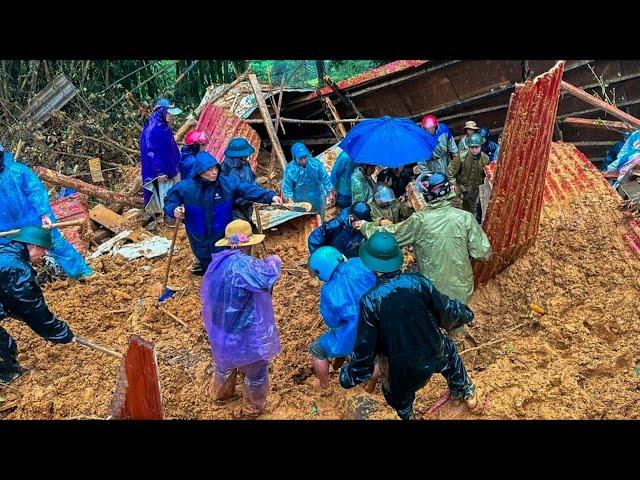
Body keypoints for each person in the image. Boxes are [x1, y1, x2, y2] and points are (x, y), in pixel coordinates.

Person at [339, 232, 480, 420]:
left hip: (400, 370)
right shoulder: (418, 282)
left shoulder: (371, 301)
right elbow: (445, 311)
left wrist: (349, 375)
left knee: (398, 399)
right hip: (433, 349)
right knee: (450, 357)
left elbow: (365, 348)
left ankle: (408, 415)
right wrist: (465, 313)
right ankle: (466, 390)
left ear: (370, 263)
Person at [355, 173, 491, 347]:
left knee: (432, 328)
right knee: (456, 326)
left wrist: (366, 227)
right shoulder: (465, 218)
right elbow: (483, 253)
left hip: (432, 290)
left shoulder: (420, 221)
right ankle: (457, 354)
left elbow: (391, 236)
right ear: (449, 191)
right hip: (461, 288)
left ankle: (437, 355)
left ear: (428, 195)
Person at [201, 220, 282, 417]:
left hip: (220, 329)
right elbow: (267, 277)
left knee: (224, 364)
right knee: (256, 371)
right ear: (248, 242)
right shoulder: (245, 265)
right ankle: (252, 408)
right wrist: (274, 260)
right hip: (245, 332)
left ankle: (220, 394)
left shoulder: (217, 263)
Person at [164, 152, 283, 275]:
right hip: (198, 234)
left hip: (221, 231)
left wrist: (269, 196)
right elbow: (170, 201)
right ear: (200, 171)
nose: (214, 172)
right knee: (204, 258)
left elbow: (246, 189)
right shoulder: (186, 188)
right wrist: (174, 210)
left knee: (224, 262)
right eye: (209, 170)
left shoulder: (226, 183)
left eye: (215, 168)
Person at [0, 144, 91, 279]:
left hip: (33, 220)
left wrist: (44, 214)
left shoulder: (18, 171)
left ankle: (82, 274)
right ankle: (19, 288)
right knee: (10, 258)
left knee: (56, 245)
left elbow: (35, 192)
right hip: (5, 228)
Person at [0, 227, 75, 384]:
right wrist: (60, 332)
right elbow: (32, 309)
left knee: (4, 346)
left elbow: (12, 303)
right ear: (32, 246)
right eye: (43, 249)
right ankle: (8, 380)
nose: (45, 254)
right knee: (4, 349)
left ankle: (8, 373)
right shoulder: (17, 268)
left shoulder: (6, 252)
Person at [307, 246, 377, 389]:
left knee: (316, 350)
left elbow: (332, 322)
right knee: (376, 356)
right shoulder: (360, 263)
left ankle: (325, 387)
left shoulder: (328, 290)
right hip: (377, 323)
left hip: (352, 332)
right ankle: (371, 384)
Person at [140, 98, 183, 225]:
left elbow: (171, 146)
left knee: (175, 190)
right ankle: (169, 220)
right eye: (170, 114)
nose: (172, 117)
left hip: (171, 165)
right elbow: (150, 152)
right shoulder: (151, 130)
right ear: (162, 112)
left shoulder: (165, 127)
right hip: (159, 170)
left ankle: (176, 217)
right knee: (165, 194)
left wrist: (178, 160)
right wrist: (159, 171)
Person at [282, 142, 334, 221]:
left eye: (305, 157)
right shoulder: (290, 170)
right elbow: (287, 187)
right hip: (300, 201)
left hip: (317, 198)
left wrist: (330, 191)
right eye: (300, 159)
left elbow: (325, 178)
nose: (303, 161)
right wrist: (289, 199)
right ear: (294, 157)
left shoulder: (316, 164)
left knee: (319, 219)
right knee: (303, 221)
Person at [448, 132, 489, 221]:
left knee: (470, 214)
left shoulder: (485, 159)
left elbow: (486, 176)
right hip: (460, 188)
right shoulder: (461, 157)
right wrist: (452, 184)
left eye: (476, 147)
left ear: (481, 146)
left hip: (474, 191)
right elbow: (451, 171)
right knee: (456, 212)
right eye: (472, 147)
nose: (474, 150)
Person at [221, 137, 259, 231]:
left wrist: (258, 193)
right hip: (234, 211)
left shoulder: (245, 164)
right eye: (244, 156)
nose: (246, 158)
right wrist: (248, 196)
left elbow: (252, 181)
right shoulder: (224, 170)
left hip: (247, 207)